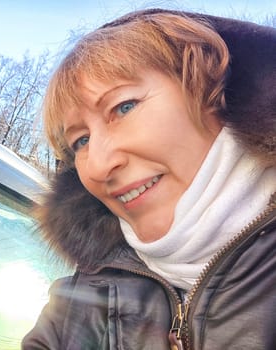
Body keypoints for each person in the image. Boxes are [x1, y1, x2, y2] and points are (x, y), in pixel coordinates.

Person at [22, 8, 276, 350]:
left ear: (214, 92)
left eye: (123, 107)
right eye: (80, 141)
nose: (97, 167)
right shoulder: (79, 302)